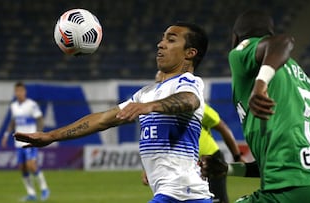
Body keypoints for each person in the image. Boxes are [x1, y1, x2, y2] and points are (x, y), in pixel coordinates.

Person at [14, 22, 214, 203]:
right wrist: (51, 136)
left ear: (190, 53)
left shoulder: (188, 82)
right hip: (176, 194)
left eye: (170, 40)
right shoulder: (146, 93)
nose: (160, 44)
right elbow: (102, 120)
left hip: (181, 193)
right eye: (162, 39)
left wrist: (150, 107)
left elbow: (190, 100)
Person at [226, 9, 310, 203]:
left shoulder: (241, 52)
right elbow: (281, 159)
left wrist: (260, 84)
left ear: (234, 37)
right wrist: (228, 169)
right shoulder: (301, 76)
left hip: (290, 188)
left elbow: (283, 41)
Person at [142, 70, 244, 203]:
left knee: (217, 200)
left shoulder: (196, 106)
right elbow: (153, 142)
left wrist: (237, 156)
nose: (161, 86)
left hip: (210, 161)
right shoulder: (157, 113)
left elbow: (223, 129)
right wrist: (148, 168)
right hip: (183, 165)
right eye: (158, 83)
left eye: (164, 82)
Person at [1, 82, 50, 202]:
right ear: (15, 92)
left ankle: (44, 189)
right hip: (18, 143)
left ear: (25, 92)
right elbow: (13, 122)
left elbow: (40, 119)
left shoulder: (31, 105)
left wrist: (39, 133)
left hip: (30, 140)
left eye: (21, 91)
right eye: (17, 91)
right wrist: (6, 135)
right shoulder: (14, 106)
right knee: (22, 167)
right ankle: (31, 194)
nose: (19, 93)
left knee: (31, 165)